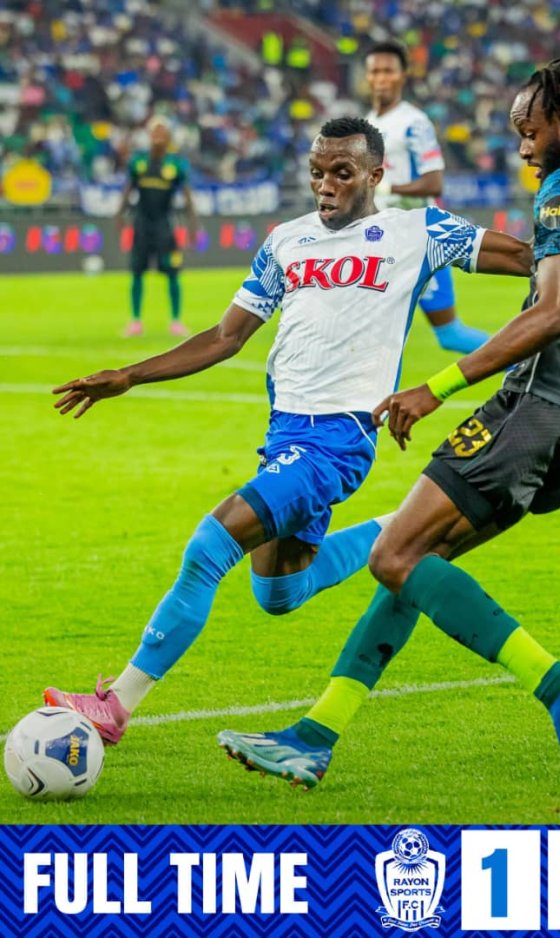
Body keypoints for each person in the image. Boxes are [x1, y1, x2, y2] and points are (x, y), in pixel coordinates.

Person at [223, 57, 560, 794]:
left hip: (539, 408)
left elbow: (554, 313)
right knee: (420, 561)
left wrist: (435, 388)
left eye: (530, 132)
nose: (524, 149)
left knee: (394, 555)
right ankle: (315, 737)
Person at [44, 116, 532, 746]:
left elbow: (530, 259)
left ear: (376, 175)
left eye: (342, 173)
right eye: (317, 172)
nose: (325, 185)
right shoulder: (286, 241)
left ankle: (116, 705)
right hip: (284, 435)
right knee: (278, 590)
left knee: (210, 546)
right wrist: (131, 376)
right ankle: (401, 527)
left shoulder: (420, 231)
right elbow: (226, 337)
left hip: (337, 439)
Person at [365, 40, 490, 355]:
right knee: (371, 331)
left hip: (418, 237)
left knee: (449, 334)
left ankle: (526, 365)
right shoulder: (369, 123)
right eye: (375, 71)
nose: (381, 78)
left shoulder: (414, 123)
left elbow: (434, 182)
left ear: (403, 75)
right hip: (385, 238)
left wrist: (385, 188)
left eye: (388, 71)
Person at [116, 117, 198, 338]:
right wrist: (119, 214)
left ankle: (176, 321)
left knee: (173, 273)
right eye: (155, 132)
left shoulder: (176, 164)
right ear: (149, 135)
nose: (158, 136)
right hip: (142, 223)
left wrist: (193, 225)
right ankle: (135, 321)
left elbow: (187, 195)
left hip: (165, 224)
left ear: (169, 136)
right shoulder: (138, 161)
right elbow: (128, 189)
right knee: (137, 272)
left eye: (163, 132)